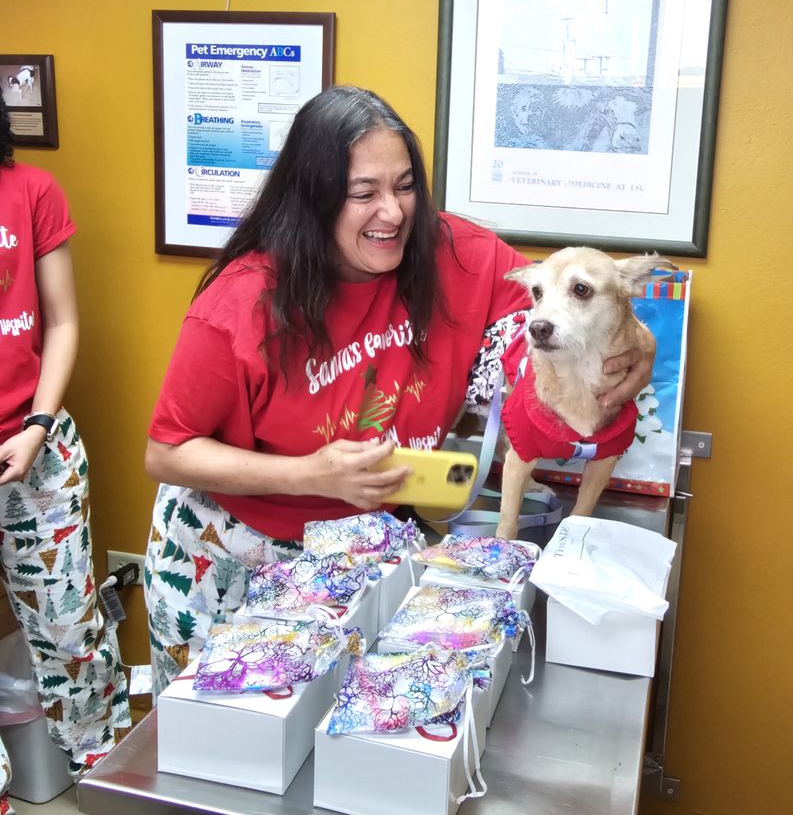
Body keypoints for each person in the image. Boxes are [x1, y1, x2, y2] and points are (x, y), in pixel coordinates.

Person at [143, 85, 654, 695]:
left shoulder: (455, 254)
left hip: (366, 544)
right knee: (225, 756)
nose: (393, 213)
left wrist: (639, 353)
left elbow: (567, 311)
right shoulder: (238, 304)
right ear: (314, 198)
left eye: (405, 186)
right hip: (230, 552)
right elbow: (167, 453)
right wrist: (310, 474)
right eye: (364, 193)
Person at [0, 98, 130, 811]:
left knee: (68, 633)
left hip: (35, 449)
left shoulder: (30, 190)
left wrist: (38, 424)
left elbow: (62, 319)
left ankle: (106, 782)